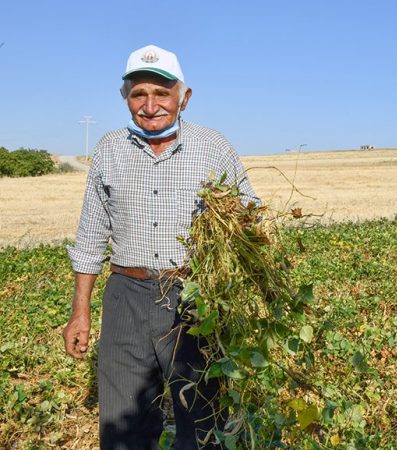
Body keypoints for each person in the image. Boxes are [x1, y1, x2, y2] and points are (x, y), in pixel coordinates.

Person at [62, 44, 259, 449]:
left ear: (183, 98)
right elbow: (91, 234)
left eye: (162, 93)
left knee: (203, 423)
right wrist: (79, 311)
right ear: (126, 99)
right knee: (123, 427)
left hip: (194, 299)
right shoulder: (109, 149)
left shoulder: (213, 147)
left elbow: (250, 217)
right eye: (139, 94)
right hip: (126, 297)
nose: (150, 106)